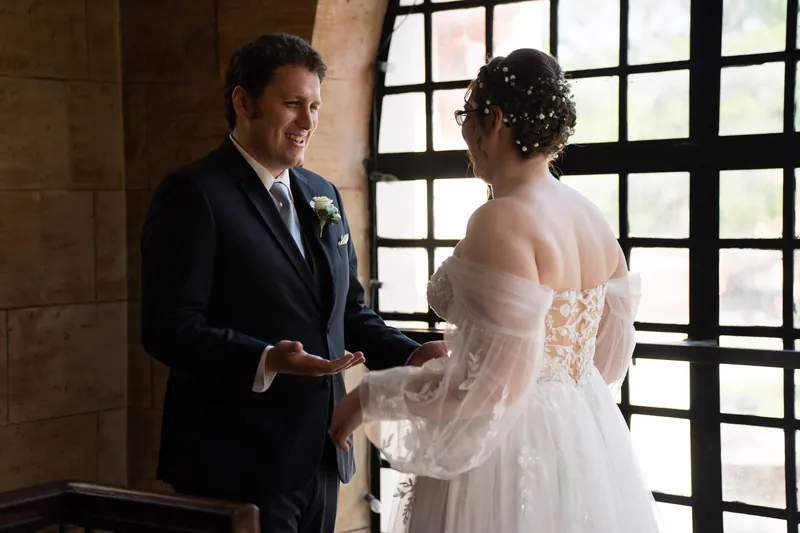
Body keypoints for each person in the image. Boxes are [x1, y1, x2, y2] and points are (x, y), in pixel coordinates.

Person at [330, 48, 662, 533]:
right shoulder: (591, 217)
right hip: (584, 436)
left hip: (507, 451)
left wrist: (367, 399)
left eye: (467, 116)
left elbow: (486, 390)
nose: (465, 133)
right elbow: (608, 359)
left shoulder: (501, 219)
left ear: (498, 121)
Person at [139, 33, 446, 533]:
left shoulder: (321, 193)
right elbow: (167, 326)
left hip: (322, 452)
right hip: (233, 461)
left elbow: (348, 312)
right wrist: (264, 359)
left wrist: (411, 353)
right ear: (243, 102)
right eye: (292, 104)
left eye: (315, 106)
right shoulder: (194, 194)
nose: (308, 122)